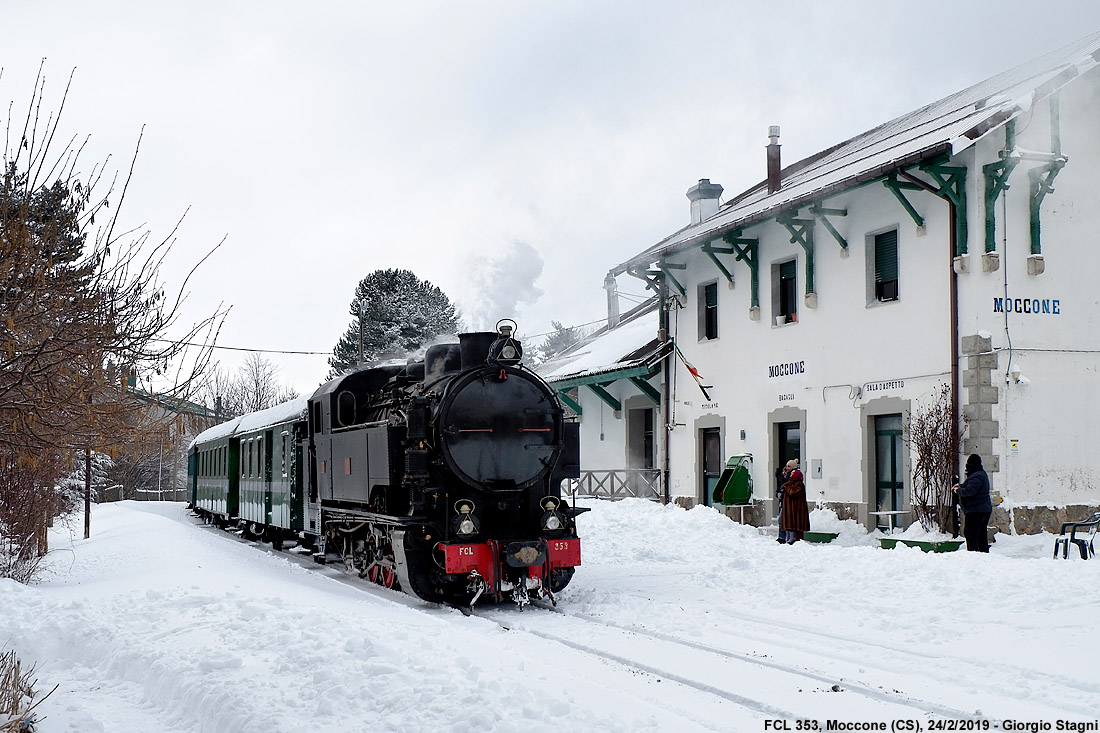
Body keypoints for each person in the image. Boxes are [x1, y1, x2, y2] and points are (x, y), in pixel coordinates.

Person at [953, 453, 992, 552]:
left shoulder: (976, 476)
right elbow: (972, 486)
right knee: (980, 534)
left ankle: (973, 554)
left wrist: (958, 491)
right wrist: (961, 486)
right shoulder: (980, 474)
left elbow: (970, 491)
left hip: (976, 510)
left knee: (971, 534)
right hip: (983, 509)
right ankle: (983, 554)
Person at [780, 468, 811, 544]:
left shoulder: (799, 485)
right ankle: (788, 537)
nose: (790, 475)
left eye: (792, 474)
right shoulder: (790, 483)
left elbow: (792, 492)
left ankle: (793, 538)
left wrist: (786, 486)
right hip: (789, 509)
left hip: (796, 509)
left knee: (793, 524)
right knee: (788, 524)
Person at [774, 459, 798, 543]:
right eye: (787, 466)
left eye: (789, 466)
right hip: (784, 500)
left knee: (783, 520)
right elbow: (782, 486)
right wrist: (778, 492)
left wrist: (780, 477)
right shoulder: (787, 474)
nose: (787, 468)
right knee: (782, 520)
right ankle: (783, 537)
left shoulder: (793, 475)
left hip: (789, 501)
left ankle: (785, 537)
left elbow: (786, 484)